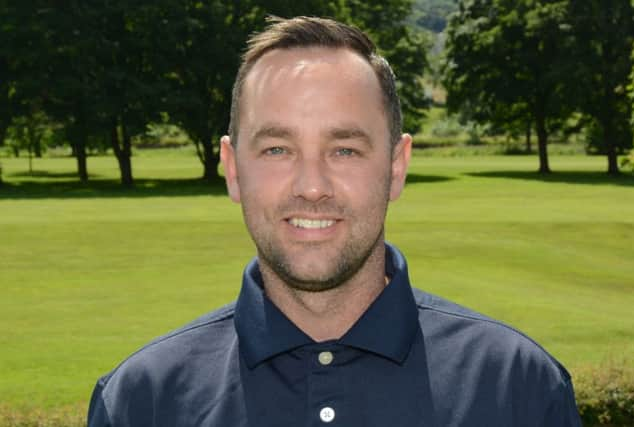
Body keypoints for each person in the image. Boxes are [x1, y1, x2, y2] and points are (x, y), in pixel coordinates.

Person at [88, 16, 582, 427]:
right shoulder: (141, 401)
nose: (312, 185)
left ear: (395, 167)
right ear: (234, 168)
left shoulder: (518, 388)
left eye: (344, 149)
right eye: (277, 149)